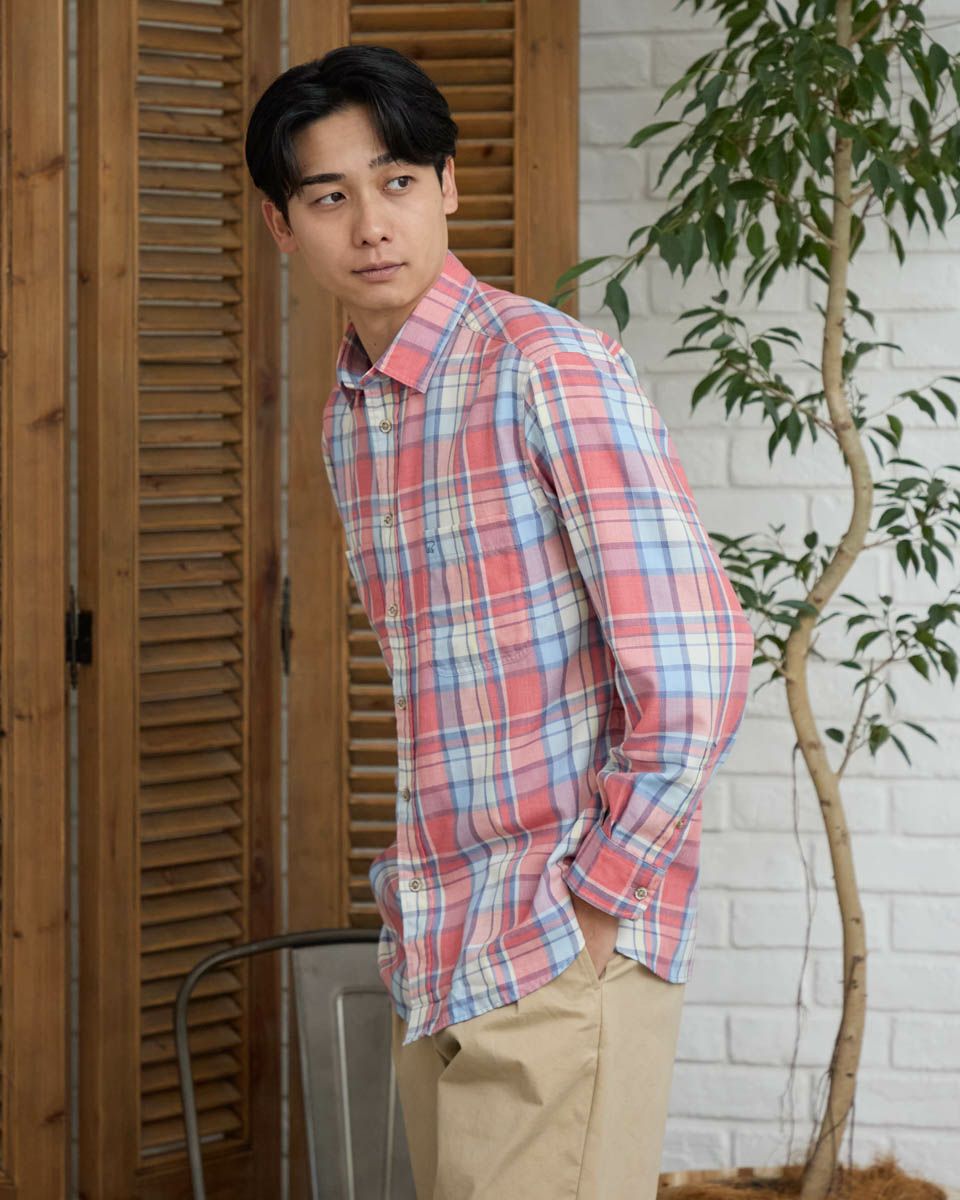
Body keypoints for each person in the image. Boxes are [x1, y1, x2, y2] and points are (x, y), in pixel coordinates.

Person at [245, 44, 755, 1200]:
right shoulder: (353, 417)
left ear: (449, 186)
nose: (371, 224)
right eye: (329, 197)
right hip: (440, 938)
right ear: (283, 226)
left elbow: (698, 667)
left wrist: (595, 900)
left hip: (561, 937)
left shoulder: (548, 368)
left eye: (398, 182)